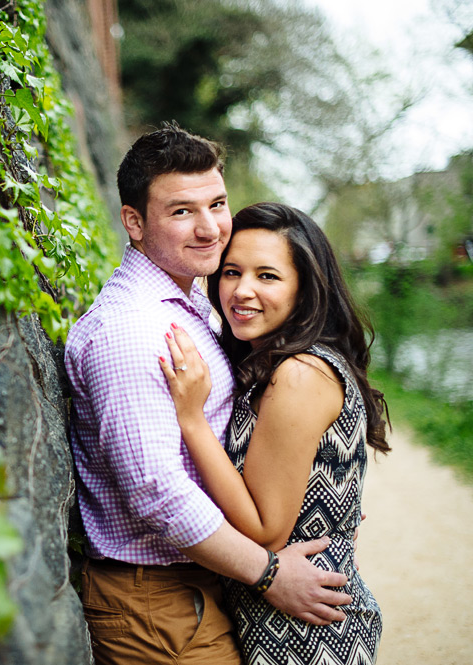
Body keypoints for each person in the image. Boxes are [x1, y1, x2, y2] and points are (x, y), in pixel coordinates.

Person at [65, 122, 353, 665]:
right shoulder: (133, 333)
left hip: (203, 582)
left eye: (217, 204)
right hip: (158, 602)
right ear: (134, 222)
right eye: (181, 212)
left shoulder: (193, 302)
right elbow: (158, 493)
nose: (210, 229)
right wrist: (269, 575)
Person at [158, 201, 389, 664]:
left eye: (267, 276)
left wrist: (192, 419)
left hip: (307, 632)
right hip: (276, 616)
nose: (242, 291)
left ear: (305, 288)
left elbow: (265, 529)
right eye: (230, 272)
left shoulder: (302, 374)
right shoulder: (267, 365)